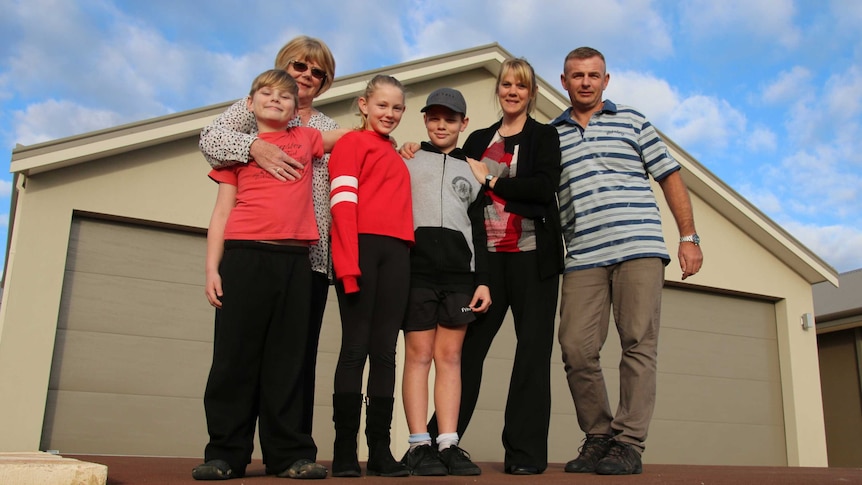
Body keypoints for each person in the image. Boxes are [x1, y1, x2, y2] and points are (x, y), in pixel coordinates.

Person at [552, 46, 704, 476]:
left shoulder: (633, 121)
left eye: (593, 75)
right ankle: (599, 436)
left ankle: (629, 442)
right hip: (582, 255)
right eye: (576, 75)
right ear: (563, 81)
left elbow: (669, 176)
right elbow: (513, 172)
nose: (585, 82)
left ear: (606, 80)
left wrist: (688, 237)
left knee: (638, 343)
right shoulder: (551, 134)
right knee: (575, 348)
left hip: (638, 248)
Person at [199, 35, 345, 440]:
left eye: (318, 72)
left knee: (295, 361)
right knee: (238, 354)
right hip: (251, 249)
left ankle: (291, 451)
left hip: (309, 258)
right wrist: (253, 146)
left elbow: (361, 145)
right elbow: (209, 140)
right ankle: (229, 448)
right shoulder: (258, 108)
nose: (307, 76)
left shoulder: (325, 128)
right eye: (300, 66)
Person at [424, 58, 563, 475]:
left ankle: (524, 456)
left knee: (532, 357)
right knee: (466, 352)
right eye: (506, 84)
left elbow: (543, 189)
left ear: (531, 92)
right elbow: (447, 167)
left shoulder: (544, 136)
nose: (512, 91)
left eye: (521, 85)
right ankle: (437, 445)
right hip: (486, 264)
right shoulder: (479, 140)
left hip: (534, 259)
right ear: (499, 90)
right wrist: (415, 148)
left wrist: (494, 182)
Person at [399, 88, 490, 477]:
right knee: (418, 355)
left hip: (459, 278)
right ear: (424, 120)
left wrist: (483, 281)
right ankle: (420, 444)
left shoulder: (474, 169)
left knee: (450, 358)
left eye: (450, 119)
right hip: (415, 273)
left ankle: (448, 442)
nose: (441, 125)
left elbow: (481, 231)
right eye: (434, 117)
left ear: (463, 124)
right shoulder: (407, 158)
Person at [328, 74, 413, 478]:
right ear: (364, 105)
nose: (390, 114)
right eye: (382, 105)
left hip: (398, 253)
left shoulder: (396, 153)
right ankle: (345, 450)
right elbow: (342, 206)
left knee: (385, 353)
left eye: (397, 108)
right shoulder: (350, 143)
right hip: (359, 250)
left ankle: (380, 451)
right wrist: (346, 266)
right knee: (355, 347)